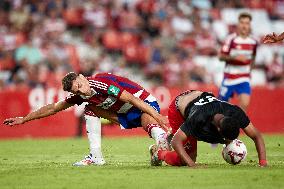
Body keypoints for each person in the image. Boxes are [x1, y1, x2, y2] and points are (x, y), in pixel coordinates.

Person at [4, 72, 170, 166]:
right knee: (89, 108)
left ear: (82, 77)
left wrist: (158, 116)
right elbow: (53, 108)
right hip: (123, 112)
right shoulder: (82, 95)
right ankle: (96, 157)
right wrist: (24, 119)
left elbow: (133, 100)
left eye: (80, 85)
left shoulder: (100, 83)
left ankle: (160, 141)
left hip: (142, 101)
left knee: (146, 119)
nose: (81, 91)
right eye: (77, 91)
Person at [149, 90, 267, 168]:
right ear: (219, 130)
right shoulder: (199, 119)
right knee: (187, 159)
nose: (230, 142)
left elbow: (256, 135)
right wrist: (192, 165)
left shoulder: (236, 112)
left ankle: (171, 134)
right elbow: (176, 142)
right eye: (228, 139)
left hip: (197, 99)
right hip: (178, 109)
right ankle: (158, 153)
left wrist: (263, 162)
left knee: (189, 148)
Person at [218, 12, 258, 112]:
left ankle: (236, 126)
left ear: (250, 25)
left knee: (244, 104)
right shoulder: (231, 39)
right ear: (238, 24)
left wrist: (249, 71)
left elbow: (253, 57)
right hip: (229, 77)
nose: (244, 26)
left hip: (244, 78)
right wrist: (235, 57)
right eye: (242, 23)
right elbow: (221, 56)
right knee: (221, 108)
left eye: (247, 23)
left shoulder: (253, 41)